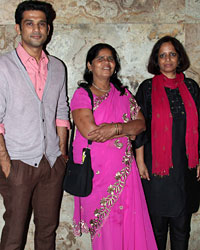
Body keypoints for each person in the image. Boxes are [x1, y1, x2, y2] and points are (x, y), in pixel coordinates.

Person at [70, 43, 158, 250]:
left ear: (115, 65)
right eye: (100, 58)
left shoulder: (123, 94)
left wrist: (116, 128)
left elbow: (141, 124)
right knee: (106, 233)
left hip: (126, 174)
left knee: (130, 227)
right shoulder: (83, 95)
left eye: (110, 58)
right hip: (97, 175)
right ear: (89, 65)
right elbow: (91, 132)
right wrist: (126, 128)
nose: (106, 62)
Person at [0, 1, 70, 249]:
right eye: (29, 23)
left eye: (41, 23)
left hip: (51, 162)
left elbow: (62, 111)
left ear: (48, 29)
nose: (36, 29)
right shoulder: (3, 67)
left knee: (47, 231)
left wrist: (62, 153)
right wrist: (7, 165)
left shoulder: (58, 67)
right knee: (14, 234)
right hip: (18, 162)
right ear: (19, 28)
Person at [135, 36, 200, 250]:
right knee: (157, 228)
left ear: (179, 57)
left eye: (172, 54)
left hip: (185, 168)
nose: (168, 59)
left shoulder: (191, 87)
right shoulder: (146, 88)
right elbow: (139, 128)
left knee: (182, 227)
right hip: (156, 170)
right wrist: (141, 161)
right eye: (162, 55)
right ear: (156, 60)